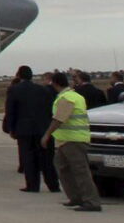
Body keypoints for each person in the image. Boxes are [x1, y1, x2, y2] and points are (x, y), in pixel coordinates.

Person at [42, 69, 100, 211]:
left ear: (54, 83)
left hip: (73, 141)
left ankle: (92, 201)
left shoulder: (67, 98)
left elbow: (59, 119)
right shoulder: (73, 95)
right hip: (65, 141)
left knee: (80, 171)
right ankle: (76, 197)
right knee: (63, 169)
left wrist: (47, 134)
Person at [4, 64, 59, 193]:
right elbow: (50, 109)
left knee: (29, 158)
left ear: (18, 75)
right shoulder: (44, 90)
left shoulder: (14, 90)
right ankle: (53, 185)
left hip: (24, 129)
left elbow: (10, 110)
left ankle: (32, 185)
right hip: (43, 128)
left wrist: (10, 128)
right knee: (47, 159)